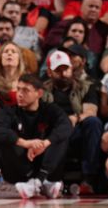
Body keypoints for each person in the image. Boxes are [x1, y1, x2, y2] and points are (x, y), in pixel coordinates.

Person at [0, 74, 72, 199]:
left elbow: (66, 126)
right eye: (18, 89)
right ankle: (39, 184)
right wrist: (25, 143)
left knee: (60, 136)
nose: (20, 94)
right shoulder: (10, 111)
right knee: (3, 136)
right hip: (20, 168)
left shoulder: (50, 110)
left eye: (26, 90)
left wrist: (45, 143)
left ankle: (39, 182)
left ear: (39, 93)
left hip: (43, 165)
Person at [42, 50, 103, 193]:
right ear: (50, 73)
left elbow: (91, 111)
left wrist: (75, 117)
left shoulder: (86, 86)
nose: (63, 73)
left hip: (77, 130)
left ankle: (89, 178)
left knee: (93, 122)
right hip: (52, 130)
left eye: (66, 68)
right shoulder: (41, 90)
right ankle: (51, 179)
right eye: (58, 70)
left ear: (71, 68)